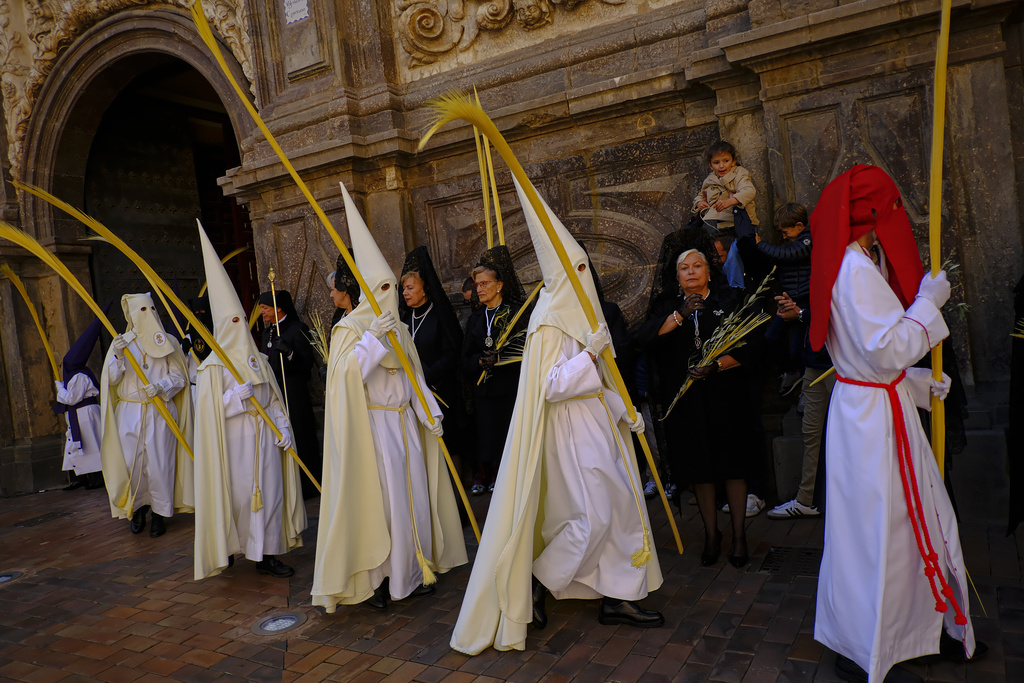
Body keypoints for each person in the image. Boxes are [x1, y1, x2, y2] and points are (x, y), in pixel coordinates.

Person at [451, 176, 663, 656]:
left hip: (598, 426)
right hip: (569, 435)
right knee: (595, 515)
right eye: (581, 267)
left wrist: (622, 410)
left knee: (623, 508)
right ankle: (539, 579)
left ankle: (617, 594)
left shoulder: (584, 314)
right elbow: (549, 386)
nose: (588, 274)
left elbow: (603, 381)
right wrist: (589, 357)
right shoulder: (548, 321)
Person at [809, 165, 985, 683]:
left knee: (886, 529)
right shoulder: (855, 270)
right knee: (883, 529)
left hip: (868, 410)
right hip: (872, 425)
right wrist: (929, 304)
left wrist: (914, 385)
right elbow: (884, 349)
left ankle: (911, 632)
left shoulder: (850, 262)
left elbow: (864, 363)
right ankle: (871, 643)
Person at [312, 184, 467, 613]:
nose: (392, 296)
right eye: (381, 288)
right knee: (384, 506)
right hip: (374, 432)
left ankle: (417, 570)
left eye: (392, 288)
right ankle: (381, 579)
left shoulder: (398, 328)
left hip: (405, 426)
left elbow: (415, 379)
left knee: (413, 500)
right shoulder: (350, 331)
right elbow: (345, 379)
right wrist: (372, 343)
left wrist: (430, 413)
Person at [637, 232, 764, 568]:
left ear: (709, 271)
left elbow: (752, 347)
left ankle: (738, 535)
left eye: (697, 266)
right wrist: (679, 315)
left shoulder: (731, 299)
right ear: (676, 276)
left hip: (726, 397)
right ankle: (711, 534)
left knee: (732, 465)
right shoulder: (668, 307)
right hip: (688, 404)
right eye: (684, 268)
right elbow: (646, 339)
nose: (691, 272)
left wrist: (717, 365)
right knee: (701, 469)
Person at [193, 224, 306, 580]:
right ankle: (238, 547)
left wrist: (284, 425)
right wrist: (232, 398)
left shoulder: (257, 358)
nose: (241, 326)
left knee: (270, 497)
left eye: (244, 320)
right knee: (242, 500)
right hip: (235, 445)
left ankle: (267, 554)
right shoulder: (212, 366)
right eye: (234, 321)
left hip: (266, 439)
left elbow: (272, 397)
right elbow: (208, 416)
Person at [99, 293, 193, 537]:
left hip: (159, 411)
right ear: (130, 314)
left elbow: (180, 377)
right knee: (133, 463)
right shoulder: (121, 343)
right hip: (130, 411)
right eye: (139, 310)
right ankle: (138, 509)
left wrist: (161, 386)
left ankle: (160, 514)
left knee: (160, 463)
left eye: (149, 309)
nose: (146, 314)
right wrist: (118, 356)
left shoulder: (168, 341)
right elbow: (111, 379)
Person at [461, 249, 525, 494]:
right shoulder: (476, 320)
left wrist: (501, 358)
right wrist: (479, 361)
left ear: (499, 285)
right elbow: (464, 360)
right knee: (490, 445)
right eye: (477, 284)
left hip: (510, 391)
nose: (479, 288)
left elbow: (529, 349)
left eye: (484, 283)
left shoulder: (517, 313)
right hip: (485, 395)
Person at [400, 247, 468, 478]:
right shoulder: (406, 318)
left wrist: (424, 375)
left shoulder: (439, 315)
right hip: (414, 393)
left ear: (425, 289)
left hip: (441, 391)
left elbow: (452, 353)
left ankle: (458, 504)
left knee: (449, 443)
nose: (405, 293)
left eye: (410, 288)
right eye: (403, 289)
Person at [259, 289, 319, 499]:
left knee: (300, 435)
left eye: (265, 308)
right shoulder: (267, 333)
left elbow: (307, 365)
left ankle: (307, 486)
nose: (261, 312)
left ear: (278, 308)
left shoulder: (297, 329)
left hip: (294, 392)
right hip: (274, 393)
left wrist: (290, 353)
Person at [54, 305, 110, 492]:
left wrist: (60, 389)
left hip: (85, 413)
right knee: (78, 445)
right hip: (79, 414)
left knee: (91, 446)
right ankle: (82, 477)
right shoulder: (75, 374)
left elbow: (71, 398)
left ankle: (98, 477)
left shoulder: (79, 376)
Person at [693, 140, 758, 288]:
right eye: (716, 162)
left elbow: (749, 191)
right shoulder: (709, 179)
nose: (721, 166)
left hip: (740, 226)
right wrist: (699, 203)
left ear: (733, 161)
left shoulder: (740, 174)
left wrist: (732, 201)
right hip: (718, 229)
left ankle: (737, 289)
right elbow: (700, 195)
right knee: (715, 260)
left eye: (726, 161)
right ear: (710, 165)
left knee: (735, 256)